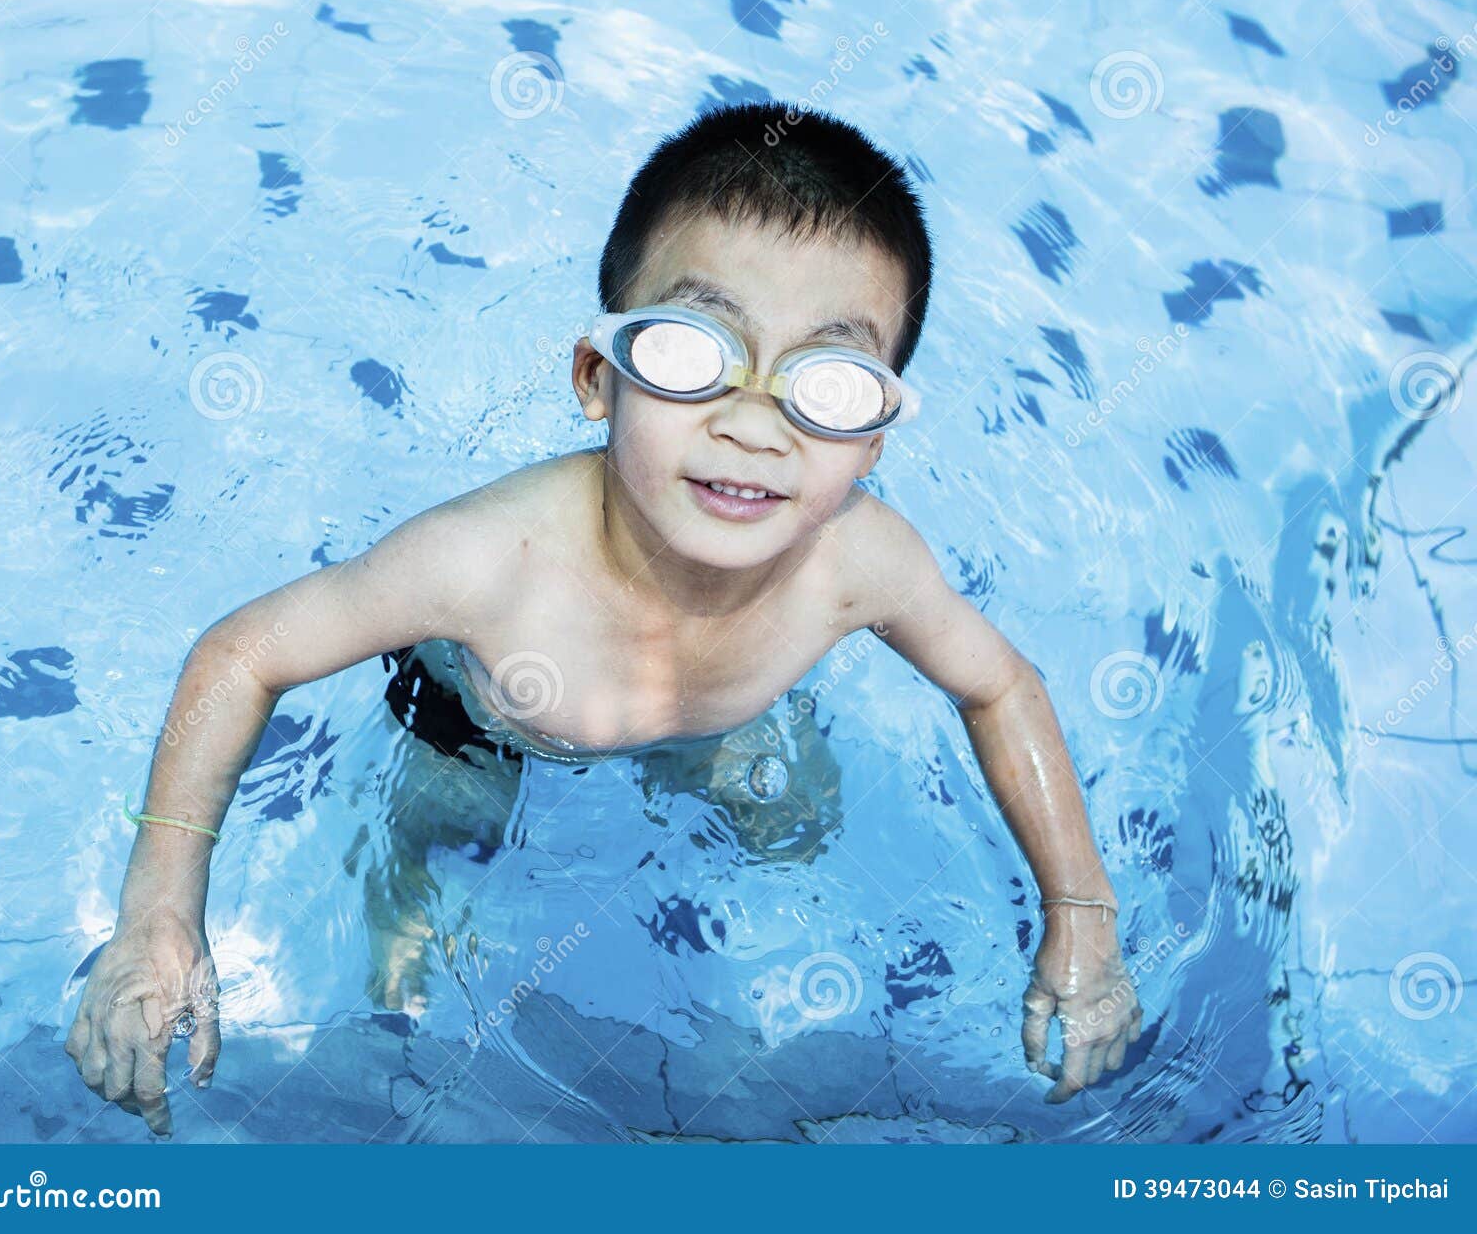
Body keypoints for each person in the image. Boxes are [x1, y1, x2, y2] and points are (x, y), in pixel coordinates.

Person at [64, 101, 1141, 1137]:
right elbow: (243, 653)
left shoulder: (861, 564)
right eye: (692, 351)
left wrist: (1081, 913)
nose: (754, 425)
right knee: (431, 854)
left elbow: (1001, 683)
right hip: (487, 720)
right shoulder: (485, 564)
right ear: (598, 376)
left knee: (797, 825)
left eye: (831, 383)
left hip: (725, 722)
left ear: (873, 443)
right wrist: (160, 909)